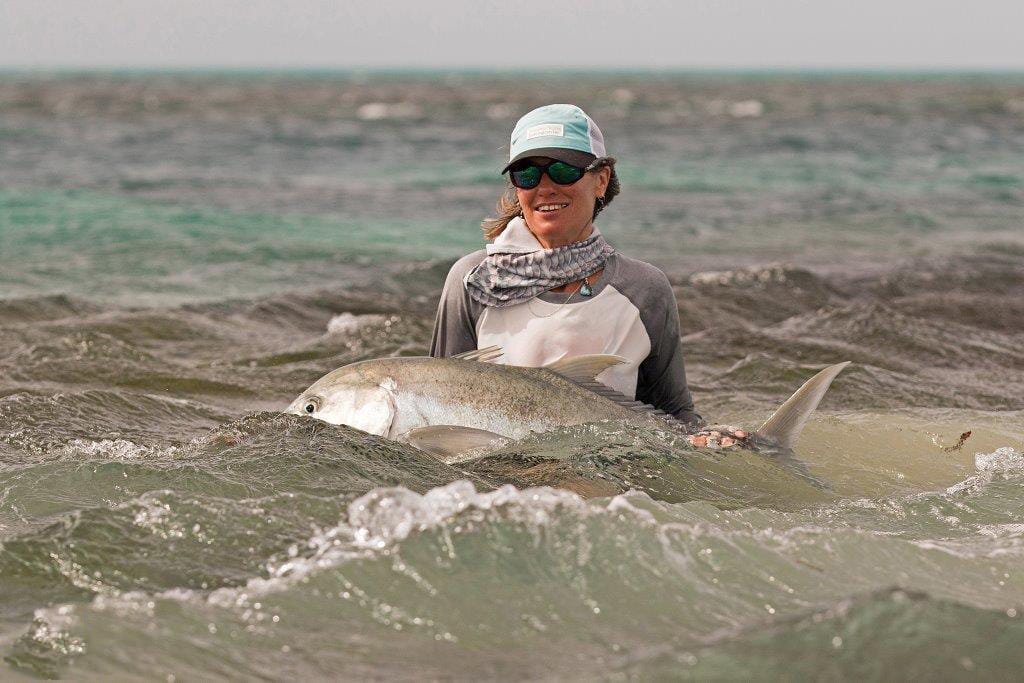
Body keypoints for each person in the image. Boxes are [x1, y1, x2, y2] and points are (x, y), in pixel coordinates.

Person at [430, 103, 702, 428]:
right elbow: (438, 403)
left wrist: (715, 441)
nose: (545, 187)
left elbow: (675, 414)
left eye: (563, 170)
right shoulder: (474, 280)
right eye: (527, 174)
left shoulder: (644, 289)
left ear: (601, 180)